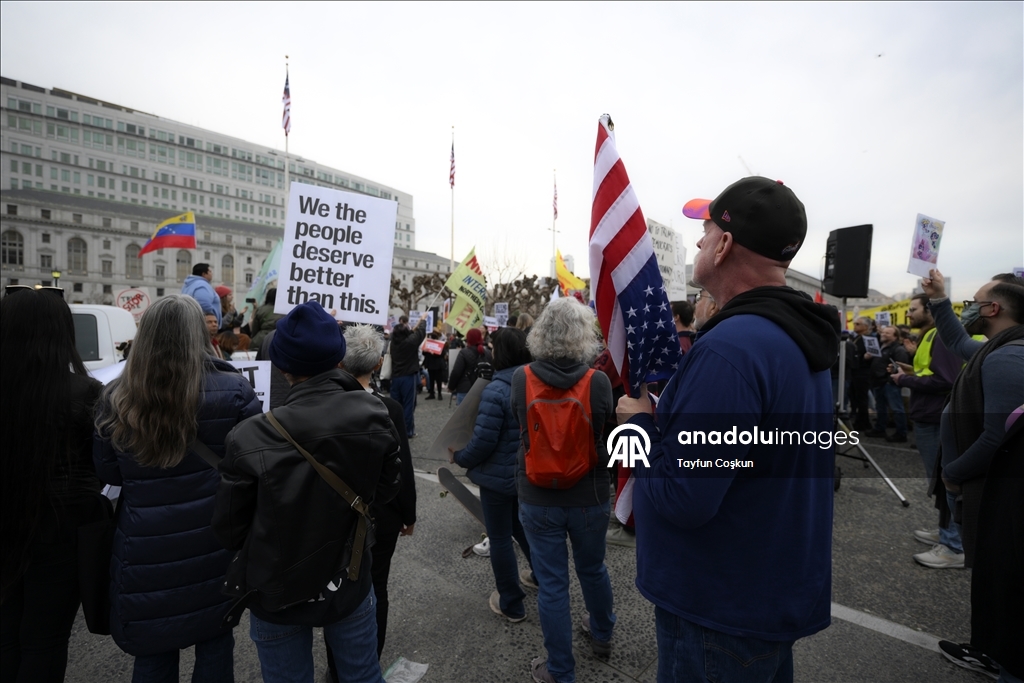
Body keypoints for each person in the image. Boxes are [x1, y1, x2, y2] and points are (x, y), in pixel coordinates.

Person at [619, 177, 839, 683]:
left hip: (717, 610)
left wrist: (638, 429)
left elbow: (685, 498)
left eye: (705, 228)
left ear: (723, 244)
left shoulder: (731, 348)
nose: (697, 241)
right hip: (760, 593)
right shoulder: (792, 335)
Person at [213, 301, 402, 683]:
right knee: (363, 676)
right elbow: (384, 492)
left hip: (275, 587)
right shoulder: (376, 415)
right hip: (347, 577)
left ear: (282, 366)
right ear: (338, 358)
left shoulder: (249, 435)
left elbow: (229, 529)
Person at [93, 294, 261, 681]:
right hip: (213, 544)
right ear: (197, 336)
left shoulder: (115, 398)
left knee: (153, 654)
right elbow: (253, 468)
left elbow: (109, 474)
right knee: (216, 645)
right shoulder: (235, 391)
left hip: (144, 548)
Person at [1, 287, 106, 683]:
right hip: (63, 527)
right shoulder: (84, 391)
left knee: (6, 633)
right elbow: (105, 467)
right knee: (45, 639)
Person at [511, 297, 616, 683]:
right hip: (589, 496)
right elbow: (603, 439)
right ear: (583, 337)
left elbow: (520, 428)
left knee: (552, 584)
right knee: (593, 569)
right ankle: (602, 633)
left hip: (537, 497)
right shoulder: (598, 381)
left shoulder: (522, 378)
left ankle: (560, 671)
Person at [907, 272, 1024, 572]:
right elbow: (958, 341)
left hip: (977, 480)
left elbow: (998, 437)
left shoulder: (1006, 357)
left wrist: (953, 473)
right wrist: (938, 297)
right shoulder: (995, 348)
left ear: (993, 309)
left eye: (974, 303)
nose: (969, 309)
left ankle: (954, 547)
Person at [322, 324, 416, 677]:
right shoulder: (388, 408)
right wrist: (409, 513)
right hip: (383, 514)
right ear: (378, 364)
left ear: (341, 364)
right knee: (377, 584)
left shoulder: (325, 405)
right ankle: (367, 661)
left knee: (337, 587)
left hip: (337, 514)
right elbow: (401, 467)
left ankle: (336, 666)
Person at [452, 328, 537, 622]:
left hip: (497, 480)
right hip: (528, 474)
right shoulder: (536, 383)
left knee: (499, 537)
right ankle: (538, 575)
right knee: (520, 526)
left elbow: (483, 443)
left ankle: (511, 602)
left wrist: (458, 457)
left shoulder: (497, 390)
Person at [890, 294, 960, 488]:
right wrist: (910, 371)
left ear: (930, 311)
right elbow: (930, 371)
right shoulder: (930, 334)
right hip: (930, 413)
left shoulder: (941, 334)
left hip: (934, 417)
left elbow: (945, 381)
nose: (908, 314)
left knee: (941, 483)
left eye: (913, 310)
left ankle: (950, 518)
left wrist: (904, 379)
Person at [866, 325, 910, 441]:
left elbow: (901, 366)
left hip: (889, 383)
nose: (883, 334)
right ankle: (880, 428)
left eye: (888, 333)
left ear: (895, 337)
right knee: (880, 407)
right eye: (883, 332)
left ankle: (901, 433)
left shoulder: (898, 350)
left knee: (897, 408)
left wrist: (890, 380)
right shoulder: (881, 347)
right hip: (879, 382)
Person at [388, 315, 427, 436]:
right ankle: (407, 431)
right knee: (408, 405)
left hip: (395, 378)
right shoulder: (410, 343)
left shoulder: (393, 344)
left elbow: (411, 333)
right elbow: (420, 333)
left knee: (395, 405)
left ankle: (394, 430)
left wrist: (417, 324)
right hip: (408, 377)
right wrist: (423, 320)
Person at [449, 328, 492, 406]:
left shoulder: (464, 353)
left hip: (465, 389)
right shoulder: (488, 353)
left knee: (463, 416)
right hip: (483, 388)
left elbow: (456, 372)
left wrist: (451, 387)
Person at [182, 263, 221, 328]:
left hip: (191, 322)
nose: (212, 273)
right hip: (203, 326)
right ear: (204, 274)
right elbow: (204, 305)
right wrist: (213, 319)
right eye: (210, 271)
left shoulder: (188, 284)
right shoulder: (202, 285)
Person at [250, 287, 283, 352]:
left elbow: (255, 328)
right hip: (278, 340)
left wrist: (254, 338)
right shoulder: (283, 310)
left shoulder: (261, 309)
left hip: (260, 341)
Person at [422, 330, 448, 400]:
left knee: (438, 380)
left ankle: (439, 393)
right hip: (430, 364)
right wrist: (425, 351)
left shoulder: (440, 343)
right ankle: (432, 393)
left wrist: (435, 353)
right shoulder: (427, 343)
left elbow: (443, 354)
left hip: (437, 364)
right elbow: (424, 353)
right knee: (431, 379)